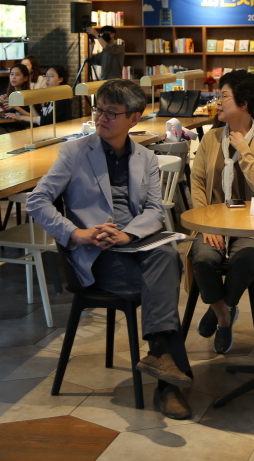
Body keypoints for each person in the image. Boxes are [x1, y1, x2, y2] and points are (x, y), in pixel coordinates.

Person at [24, 80, 193, 420]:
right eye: (98, 110)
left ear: (133, 118)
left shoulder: (146, 157)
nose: (101, 118)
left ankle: (161, 358)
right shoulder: (74, 153)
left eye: (111, 113)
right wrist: (76, 233)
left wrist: (128, 235)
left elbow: (154, 210)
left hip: (132, 243)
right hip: (95, 253)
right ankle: (166, 378)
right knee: (163, 277)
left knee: (166, 254)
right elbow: (37, 201)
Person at [189, 70, 254, 354]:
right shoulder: (211, 138)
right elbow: (198, 182)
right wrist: (207, 225)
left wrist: (243, 149)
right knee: (203, 258)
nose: (218, 102)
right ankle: (224, 317)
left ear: (243, 103)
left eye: (224, 96)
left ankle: (221, 307)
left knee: (244, 260)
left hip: (253, 225)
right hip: (214, 223)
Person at [7, 65, 72, 127]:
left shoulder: (63, 99)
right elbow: (40, 119)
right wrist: (31, 105)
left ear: (60, 79)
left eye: (51, 76)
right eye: (46, 76)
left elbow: (46, 121)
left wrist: (21, 117)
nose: (47, 79)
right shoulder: (50, 98)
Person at [0, 63, 31, 136]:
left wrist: (16, 108)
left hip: (22, 126)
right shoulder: (5, 92)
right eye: (11, 74)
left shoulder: (30, 95)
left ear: (25, 78)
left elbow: (36, 117)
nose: (13, 77)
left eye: (17, 75)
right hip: (5, 124)